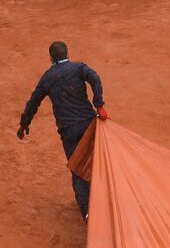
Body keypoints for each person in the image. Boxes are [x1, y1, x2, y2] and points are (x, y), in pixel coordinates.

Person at [16, 41, 106, 220]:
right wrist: (99, 105)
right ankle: (106, 201)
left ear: (50, 58)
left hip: (69, 131)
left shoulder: (47, 78)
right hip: (89, 125)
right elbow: (94, 78)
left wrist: (24, 124)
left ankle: (88, 214)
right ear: (67, 54)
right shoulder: (78, 67)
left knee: (78, 169)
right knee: (98, 162)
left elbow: (34, 101)